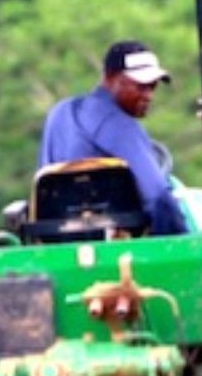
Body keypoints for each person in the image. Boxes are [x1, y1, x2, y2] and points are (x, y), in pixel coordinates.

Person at [40, 40, 190, 236]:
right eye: (141, 86)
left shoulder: (59, 113)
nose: (149, 96)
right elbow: (158, 197)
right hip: (112, 245)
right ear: (110, 78)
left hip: (55, 240)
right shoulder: (119, 125)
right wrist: (181, 245)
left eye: (152, 87)